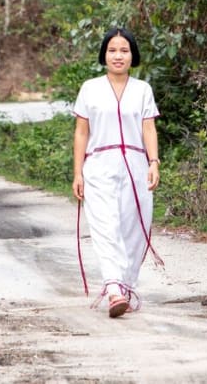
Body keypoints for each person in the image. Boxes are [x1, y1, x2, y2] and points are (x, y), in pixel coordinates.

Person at [72, 26, 161, 318]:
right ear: (104, 54)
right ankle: (113, 289)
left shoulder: (142, 90)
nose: (118, 56)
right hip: (99, 165)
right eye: (112, 50)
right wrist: (78, 173)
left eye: (124, 50)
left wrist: (154, 162)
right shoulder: (90, 88)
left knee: (135, 227)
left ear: (132, 55)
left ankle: (126, 286)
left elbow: (149, 127)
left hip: (136, 165)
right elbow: (81, 132)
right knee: (105, 226)